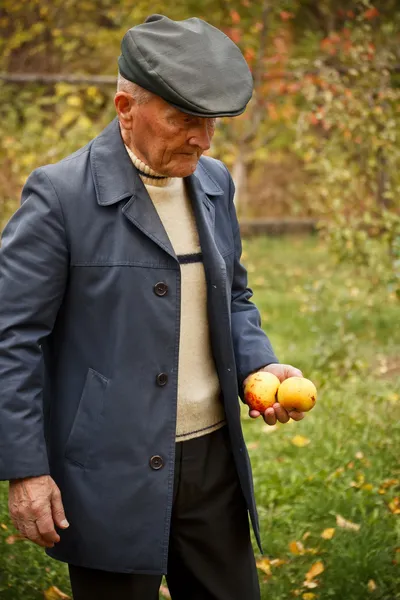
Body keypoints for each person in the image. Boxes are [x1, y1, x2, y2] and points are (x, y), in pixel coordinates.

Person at [0, 14, 305, 600]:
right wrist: (26, 469)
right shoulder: (59, 197)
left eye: (210, 121)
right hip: (108, 470)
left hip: (213, 463)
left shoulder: (214, 184)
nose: (203, 138)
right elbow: (12, 339)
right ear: (125, 107)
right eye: (184, 119)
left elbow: (234, 297)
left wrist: (258, 366)